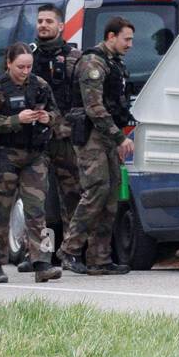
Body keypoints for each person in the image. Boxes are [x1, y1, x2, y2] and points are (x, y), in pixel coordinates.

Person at [0, 43, 63, 284]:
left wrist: (48, 118)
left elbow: (57, 114)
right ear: (8, 63)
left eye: (28, 66)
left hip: (34, 155)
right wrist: (17, 119)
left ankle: (42, 262)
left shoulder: (40, 85)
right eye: (20, 67)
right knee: (0, 210)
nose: (25, 71)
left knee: (37, 210)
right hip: (5, 154)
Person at [58, 17, 135, 276]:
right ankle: (69, 250)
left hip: (107, 136)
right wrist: (119, 137)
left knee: (111, 195)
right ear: (111, 36)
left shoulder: (114, 64)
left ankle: (99, 258)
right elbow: (94, 108)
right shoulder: (93, 63)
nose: (130, 44)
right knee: (96, 191)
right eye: (126, 39)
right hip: (92, 136)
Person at [22, 3, 83, 271]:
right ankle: (36, 255)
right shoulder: (27, 57)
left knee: (72, 196)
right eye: (40, 21)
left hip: (64, 137)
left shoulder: (73, 58)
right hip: (34, 138)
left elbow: (84, 96)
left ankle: (71, 253)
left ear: (61, 26)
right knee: (36, 199)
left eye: (49, 21)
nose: (43, 25)